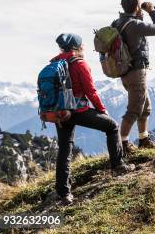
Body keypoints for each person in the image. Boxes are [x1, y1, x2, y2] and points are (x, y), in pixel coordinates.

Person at [53, 33, 135, 205]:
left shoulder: (55, 64)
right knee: (112, 126)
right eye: (82, 45)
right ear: (77, 47)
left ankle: (63, 193)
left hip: (60, 113)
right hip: (78, 111)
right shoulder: (80, 64)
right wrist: (102, 110)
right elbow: (91, 91)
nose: (84, 47)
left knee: (64, 149)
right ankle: (118, 165)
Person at [111, 0, 155, 156]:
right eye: (140, 5)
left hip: (126, 71)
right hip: (136, 71)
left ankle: (143, 140)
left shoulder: (118, 22)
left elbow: (131, 37)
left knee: (145, 107)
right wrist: (152, 12)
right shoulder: (134, 24)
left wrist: (140, 15)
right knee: (134, 109)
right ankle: (123, 145)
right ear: (136, 7)